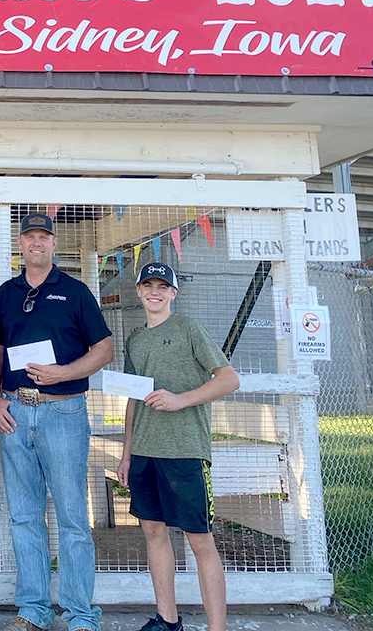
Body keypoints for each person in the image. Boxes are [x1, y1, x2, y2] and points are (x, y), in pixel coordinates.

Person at [0, 212, 112, 631]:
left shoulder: (74, 292)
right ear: (19, 245)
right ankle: (33, 610)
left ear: (54, 244)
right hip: (14, 412)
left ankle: (79, 614)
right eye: (29, 237)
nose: (36, 243)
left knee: (73, 516)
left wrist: (64, 373)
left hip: (64, 410)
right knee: (23, 515)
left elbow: (104, 350)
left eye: (43, 237)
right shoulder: (7, 293)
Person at [115, 263, 240, 631]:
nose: (155, 291)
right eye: (148, 285)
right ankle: (167, 620)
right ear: (139, 291)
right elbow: (132, 398)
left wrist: (181, 400)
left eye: (162, 286)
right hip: (144, 454)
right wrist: (126, 453)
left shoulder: (188, 329)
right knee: (153, 533)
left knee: (200, 541)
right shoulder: (135, 339)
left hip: (184, 451)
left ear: (173, 293)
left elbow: (229, 379)